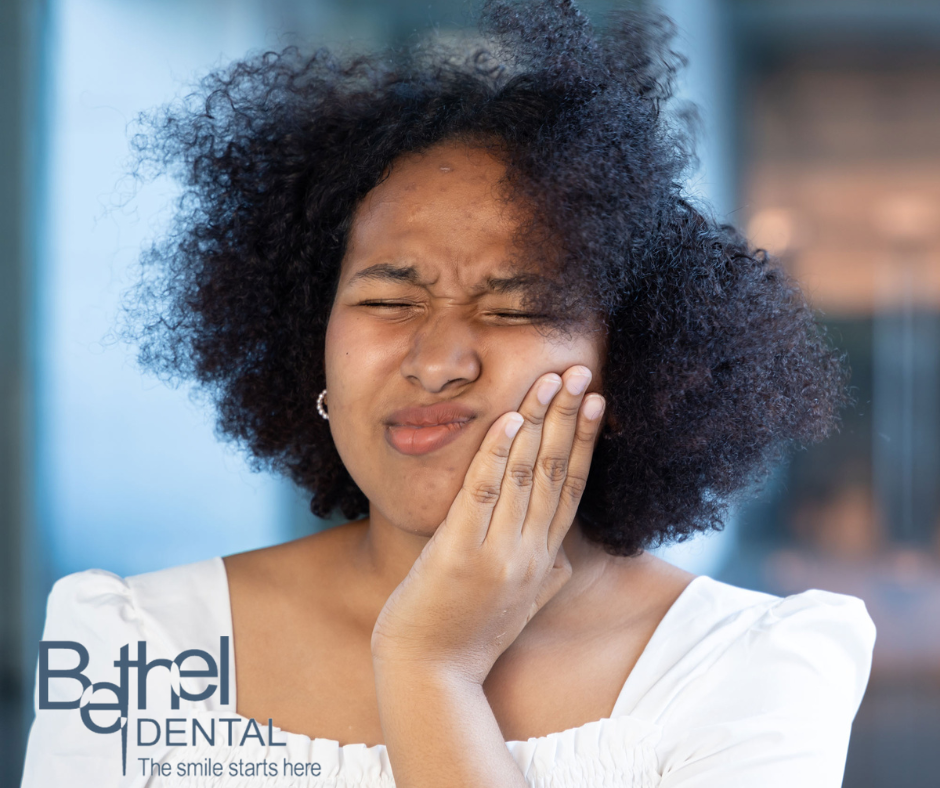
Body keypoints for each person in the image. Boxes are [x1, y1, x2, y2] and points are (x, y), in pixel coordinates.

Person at [21, 1, 875, 786]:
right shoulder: (140, 643)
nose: (435, 361)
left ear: (638, 360)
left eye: (519, 307)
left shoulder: (750, 664)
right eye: (388, 301)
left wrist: (430, 669)